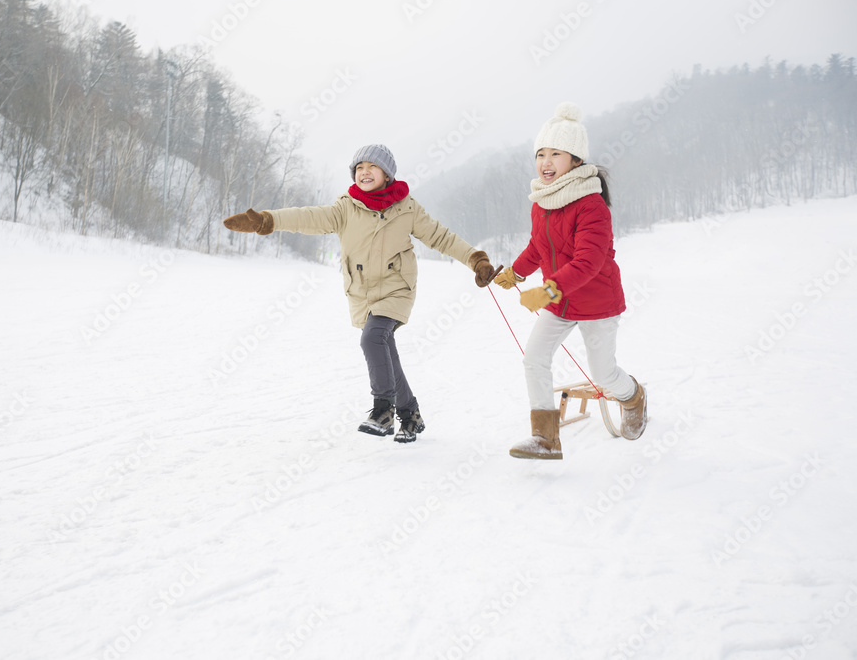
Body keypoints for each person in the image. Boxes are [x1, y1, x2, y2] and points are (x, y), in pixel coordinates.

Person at [223, 144, 496, 443]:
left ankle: (383, 410)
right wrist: (267, 219)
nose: (364, 172)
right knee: (386, 350)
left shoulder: (408, 208)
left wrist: (476, 259)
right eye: (359, 168)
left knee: (372, 338)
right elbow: (308, 217)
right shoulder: (345, 208)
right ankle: (410, 413)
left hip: (397, 288)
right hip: (362, 292)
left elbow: (441, 237)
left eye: (372, 167)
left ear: (387, 174)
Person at [493, 103, 647, 460]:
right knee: (534, 358)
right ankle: (546, 438)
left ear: (575, 161)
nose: (545, 162)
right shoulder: (542, 202)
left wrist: (545, 291)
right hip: (561, 303)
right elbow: (538, 246)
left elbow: (588, 262)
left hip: (597, 304)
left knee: (604, 375)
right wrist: (515, 272)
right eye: (540, 154)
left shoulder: (591, 205)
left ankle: (633, 397)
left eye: (555, 154)